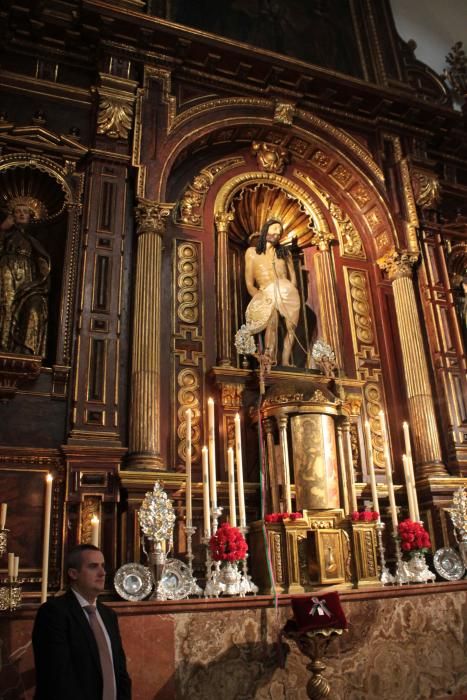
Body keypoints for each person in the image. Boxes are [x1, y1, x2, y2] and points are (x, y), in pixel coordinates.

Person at [32, 544, 132, 700]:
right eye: (93, 567)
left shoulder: (108, 615)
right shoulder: (54, 612)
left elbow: (120, 671)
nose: (102, 573)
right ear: (73, 573)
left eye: (103, 566)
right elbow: (57, 676)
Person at [244, 218, 300, 365]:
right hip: (266, 293)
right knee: (272, 321)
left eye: (280, 231)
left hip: (288, 293)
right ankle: (269, 357)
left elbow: (293, 276)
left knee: (291, 327)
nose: (277, 233)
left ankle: (285, 360)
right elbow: (249, 283)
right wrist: (259, 297)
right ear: (265, 230)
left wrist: (292, 290)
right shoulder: (252, 253)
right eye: (274, 229)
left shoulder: (284, 253)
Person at [0, 201, 50, 356]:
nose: (21, 214)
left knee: (26, 304)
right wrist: (2, 229)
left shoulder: (32, 240)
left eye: (25, 212)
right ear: (12, 216)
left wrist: (43, 277)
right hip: (6, 268)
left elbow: (42, 260)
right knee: (5, 304)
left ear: (30, 217)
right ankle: (3, 343)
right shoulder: (6, 235)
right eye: (18, 211)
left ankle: (17, 346)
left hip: (26, 273)